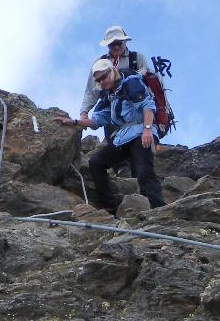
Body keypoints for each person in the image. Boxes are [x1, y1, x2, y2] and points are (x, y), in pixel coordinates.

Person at [60, 58, 165, 212]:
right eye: (98, 80)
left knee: (144, 172)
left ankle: (158, 209)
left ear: (113, 71)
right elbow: (98, 120)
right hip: (123, 138)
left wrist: (148, 130)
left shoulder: (131, 83)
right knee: (96, 162)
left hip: (141, 132)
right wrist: (75, 122)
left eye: (104, 76)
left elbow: (147, 105)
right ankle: (109, 206)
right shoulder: (109, 94)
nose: (102, 82)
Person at [79, 25, 154, 123]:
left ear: (125, 41)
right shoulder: (99, 63)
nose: (116, 47)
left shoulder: (136, 58)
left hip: (138, 115)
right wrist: (84, 113)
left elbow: (147, 86)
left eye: (119, 43)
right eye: (112, 44)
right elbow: (91, 90)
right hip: (111, 114)